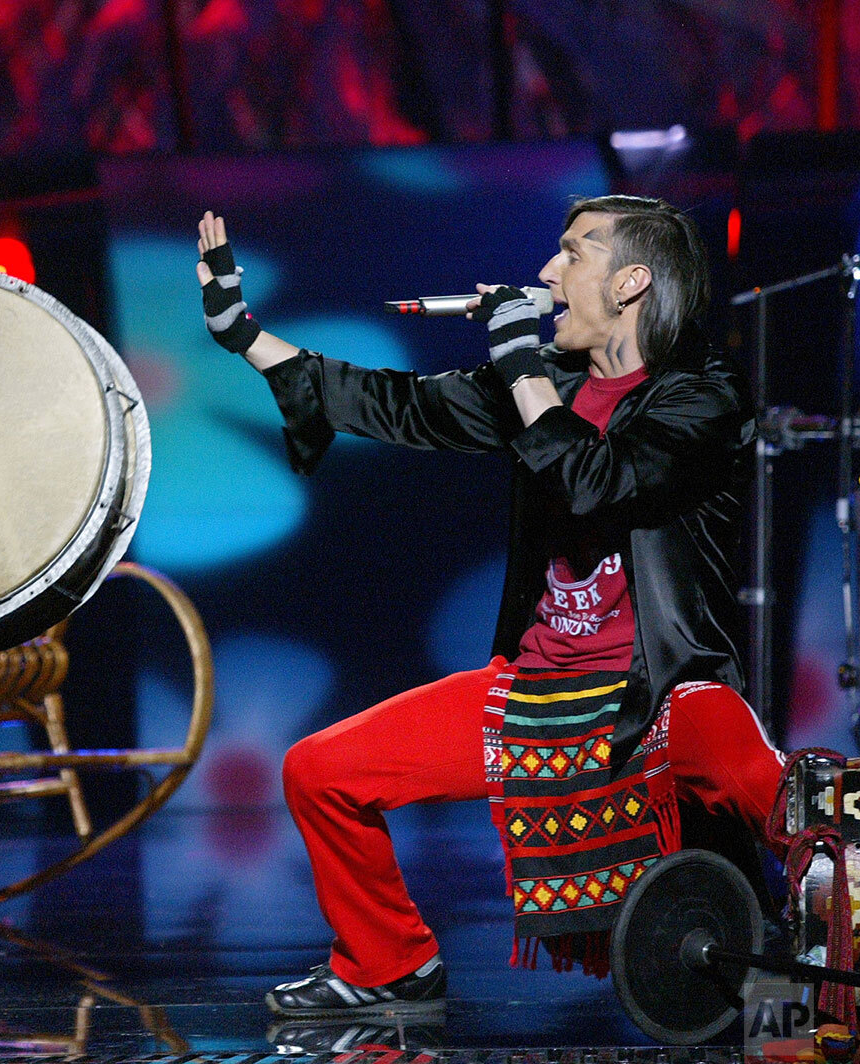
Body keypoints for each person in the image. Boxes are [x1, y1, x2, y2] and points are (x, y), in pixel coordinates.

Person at [194, 196, 787, 1020]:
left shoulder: (704, 396)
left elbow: (597, 477)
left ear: (631, 282)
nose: (547, 272)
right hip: (538, 689)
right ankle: (388, 963)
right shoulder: (542, 382)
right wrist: (246, 336)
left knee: (741, 763)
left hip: (653, 690)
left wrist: (519, 365)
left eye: (573, 254)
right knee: (320, 771)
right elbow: (394, 402)